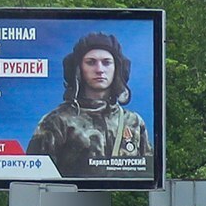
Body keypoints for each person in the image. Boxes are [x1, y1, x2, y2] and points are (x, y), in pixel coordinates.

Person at [27, 32, 152, 182]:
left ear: (117, 68)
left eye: (106, 62)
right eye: (91, 62)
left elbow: (148, 175)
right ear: (78, 69)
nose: (99, 69)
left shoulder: (133, 122)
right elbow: (34, 179)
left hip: (125, 202)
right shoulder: (57, 121)